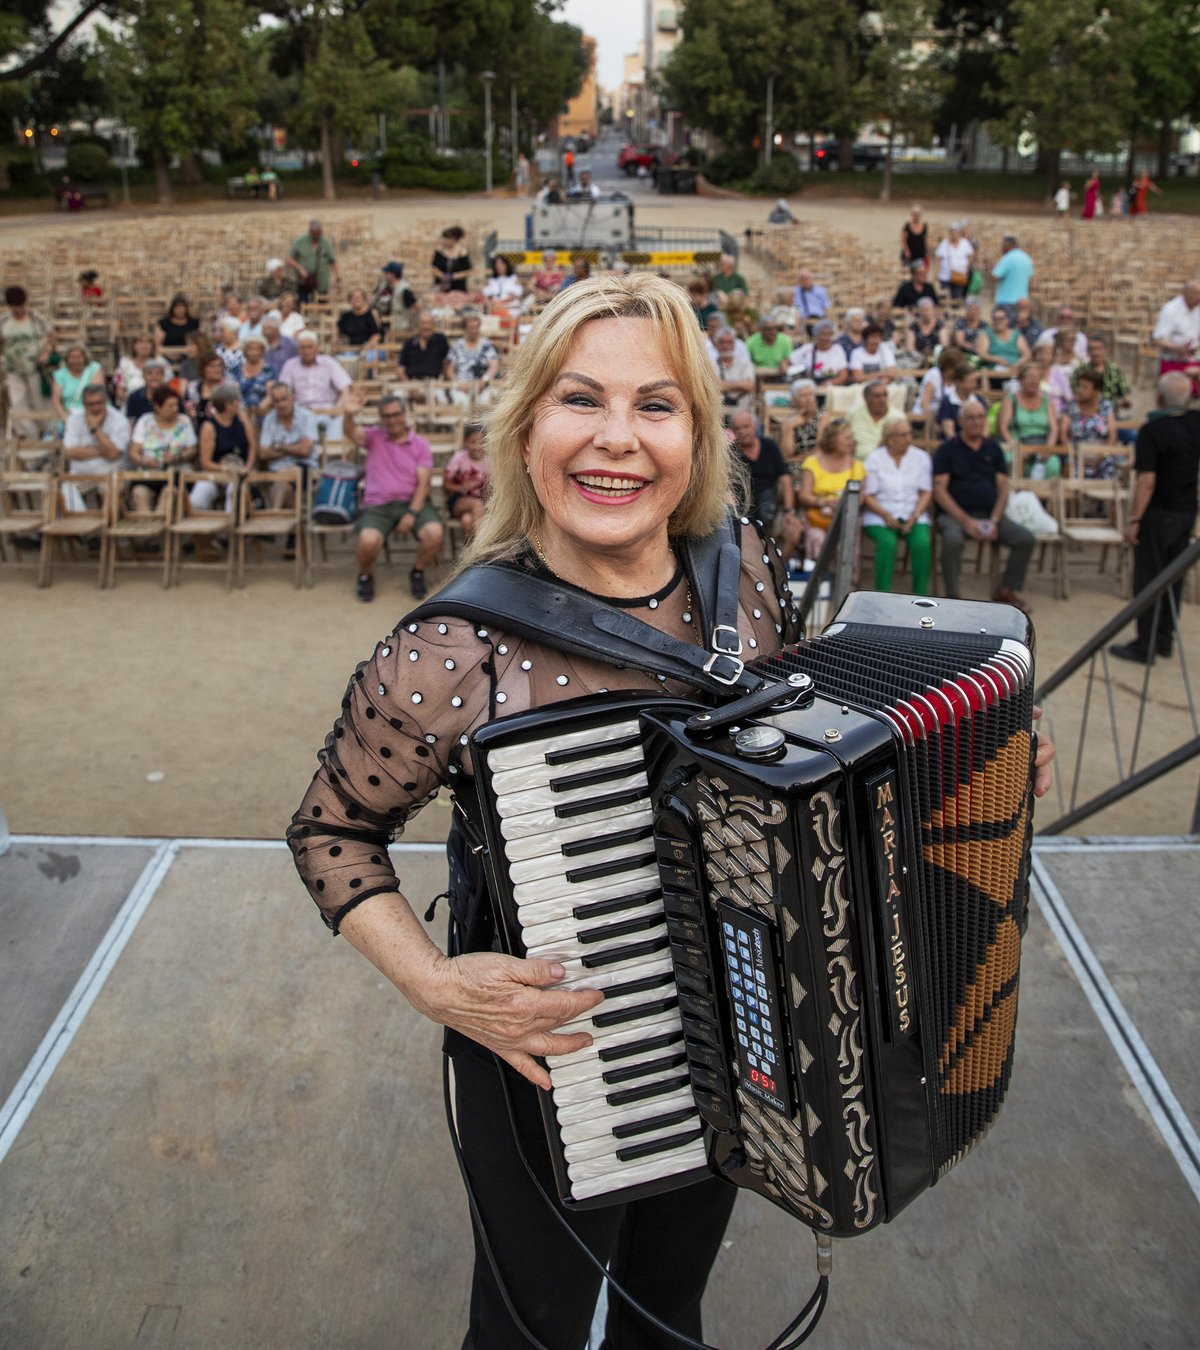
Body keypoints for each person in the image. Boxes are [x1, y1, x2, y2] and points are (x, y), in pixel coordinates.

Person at [285, 271, 1058, 1349]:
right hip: (542, 1055)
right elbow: (329, 831)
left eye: (655, 405)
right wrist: (431, 982)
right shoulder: (453, 650)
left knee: (672, 1308)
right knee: (531, 1328)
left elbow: (800, 744)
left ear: (696, 434)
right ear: (525, 430)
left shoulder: (735, 565)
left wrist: (976, 774)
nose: (617, 440)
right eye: (578, 399)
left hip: (741, 1029)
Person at [1110, 372, 1200, 663]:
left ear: (1159, 397)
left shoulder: (1153, 429)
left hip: (1158, 513)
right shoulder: (1196, 423)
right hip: (1185, 511)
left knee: (1148, 579)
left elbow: (1146, 480)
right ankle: (1164, 640)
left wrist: (1134, 519)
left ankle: (1144, 645)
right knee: (1173, 578)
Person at [342, 386, 443, 602]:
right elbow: (351, 433)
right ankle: (365, 575)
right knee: (368, 540)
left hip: (413, 502)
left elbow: (423, 483)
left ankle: (417, 571)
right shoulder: (373, 437)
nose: (392, 420)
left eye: (396, 414)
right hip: (378, 505)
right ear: (381, 418)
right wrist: (349, 414)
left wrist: (412, 513)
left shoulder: (420, 444)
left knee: (434, 533)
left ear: (404, 414)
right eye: (386, 416)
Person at [933, 402, 1034, 609]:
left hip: (989, 514)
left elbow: (1003, 488)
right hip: (954, 515)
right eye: (970, 417)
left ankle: (1006, 590)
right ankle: (952, 594)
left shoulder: (993, 448)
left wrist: (995, 520)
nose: (976, 422)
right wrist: (966, 521)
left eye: (980, 417)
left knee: (1025, 539)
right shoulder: (947, 449)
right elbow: (939, 491)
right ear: (960, 422)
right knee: (952, 540)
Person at [862, 414, 933, 595]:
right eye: (902, 435)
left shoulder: (921, 457)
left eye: (910, 434)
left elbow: (926, 492)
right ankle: (883, 594)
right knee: (887, 543)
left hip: (912, 514)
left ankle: (920, 595)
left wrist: (915, 516)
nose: (908, 439)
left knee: (922, 543)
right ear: (890, 439)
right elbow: (868, 495)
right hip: (879, 515)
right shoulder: (875, 459)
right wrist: (885, 515)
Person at [797, 417, 866, 561]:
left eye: (852, 438)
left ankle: (847, 581)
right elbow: (804, 495)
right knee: (818, 539)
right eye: (847, 438)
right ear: (833, 440)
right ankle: (818, 580)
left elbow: (860, 498)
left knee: (847, 539)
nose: (851, 441)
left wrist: (842, 506)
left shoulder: (857, 466)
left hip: (845, 515)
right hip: (817, 515)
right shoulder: (812, 463)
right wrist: (823, 502)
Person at [61, 382, 130, 509]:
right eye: (91, 404)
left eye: (99, 403)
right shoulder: (74, 419)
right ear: (84, 404)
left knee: (112, 489)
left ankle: (108, 526)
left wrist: (95, 429)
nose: (96, 408)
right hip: (80, 474)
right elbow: (69, 452)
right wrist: (102, 450)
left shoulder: (119, 420)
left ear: (106, 401)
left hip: (111, 472)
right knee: (63, 489)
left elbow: (113, 454)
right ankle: (78, 525)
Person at [129, 385, 198, 509]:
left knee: (168, 494)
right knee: (139, 493)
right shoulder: (145, 421)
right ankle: (146, 526)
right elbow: (134, 452)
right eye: (170, 406)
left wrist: (178, 457)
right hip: (149, 474)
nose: (175, 409)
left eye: (176, 405)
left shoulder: (184, 421)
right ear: (157, 406)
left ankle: (159, 525)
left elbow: (193, 450)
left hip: (176, 474)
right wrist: (145, 461)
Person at [191, 383, 257, 510]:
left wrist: (247, 468)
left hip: (240, 471)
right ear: (228, 404)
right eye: (237, 401)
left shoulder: (242, 421)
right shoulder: (209, 426)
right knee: (197, 501)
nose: (239, 403)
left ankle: (231, 527)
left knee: (234, 495)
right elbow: (205, 462)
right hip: (217, 471)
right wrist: (225, 468)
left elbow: (253, 446)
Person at [279, 330, 353, 442]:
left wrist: (337, 408)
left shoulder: (329, 363)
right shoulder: (290, 365)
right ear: (298, 350)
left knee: (339, 420)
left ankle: (333, 455)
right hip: (301, 411)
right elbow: (283, 392)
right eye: (303, 348)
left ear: (317, 348)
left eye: (309, 347)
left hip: (328, 410)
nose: (306, 351)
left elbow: (345, 389)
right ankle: (310, 455)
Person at [1, 285, 53, 436]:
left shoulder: (35, 317)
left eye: (22, 305)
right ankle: (30, 435)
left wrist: (46, 352)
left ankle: (47, 431)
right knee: (18, 403)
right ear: (10, 306)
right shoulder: (3, 321)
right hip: (13, 368)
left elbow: (51, 335)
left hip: (35, 367)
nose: (20, 310)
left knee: (40, 402)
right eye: (16, 307)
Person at [728, 408, 794, 527]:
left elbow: (785, 478)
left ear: (755, 426)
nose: (742, 431)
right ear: (733, 431)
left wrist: (788, 510)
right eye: (737, 428)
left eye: (746, 426)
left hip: (769, 501)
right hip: (743, 505)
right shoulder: (732, 452)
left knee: (792, 530)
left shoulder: (769, 446)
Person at [258, 381, 318, 509]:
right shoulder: (269, 419)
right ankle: (283, 516)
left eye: (284, 399)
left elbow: (305, 451)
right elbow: (263, 453)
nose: (281, 404)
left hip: (305, 468)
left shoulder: (307, 416)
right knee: (283, 484)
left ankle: (274, 515)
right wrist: (295, 446)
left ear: (292, 398)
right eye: (277, 401)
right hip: (277, 471)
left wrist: (280, 446)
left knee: (283, 477)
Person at [998, 364, 1062, 477]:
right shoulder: (1010, 400)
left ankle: (1046, 494)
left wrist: (1048, 449)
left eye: (1037, 377)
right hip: (1017, 444)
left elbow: (1054, 429)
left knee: (1053, 464)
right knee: (1011, 461)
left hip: (1041, 445)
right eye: (1029, 376)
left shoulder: (1047, 401)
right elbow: (1002, 428)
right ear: (1021, 380)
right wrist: (1017, 448)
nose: (1033, 380)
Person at [443, 422, 492, 537]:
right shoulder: (459, 458)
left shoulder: (489, 460)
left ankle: (470, 553)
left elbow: (494, 488)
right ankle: (481, 550)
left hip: (483, 501)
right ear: (465, 443)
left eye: (481, 442)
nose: (477, 447)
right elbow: (446, 485)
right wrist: (461, 487)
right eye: (473, 442)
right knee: (476, 504)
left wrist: (489, 482)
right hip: (460, 501)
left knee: (467, 521)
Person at [1151, 280, 1200, 388]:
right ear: (1188, 294)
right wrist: (1178, 347)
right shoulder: (1170, 310)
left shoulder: (1197, 309)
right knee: (1175, 392)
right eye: (1198, 294)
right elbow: (1158, 338)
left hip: (1193, 357)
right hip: (1172, 358)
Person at [1059, 368, 1117, 458]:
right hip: (1076, 454)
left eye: (1085, 387)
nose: (1079, 390)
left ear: (1096, 391)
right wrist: (1076, 455)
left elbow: (1112, 437)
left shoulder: (1106, 406)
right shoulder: (1070, 407)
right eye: (1079, 386)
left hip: (1101, 454)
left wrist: (1102, 456)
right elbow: (1063, 436)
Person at [444, 311, 500, 393]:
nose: (473, 331)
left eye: (476, 327)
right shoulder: (457, 345)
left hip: (482, 386)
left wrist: (484, 380)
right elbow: (450, 370)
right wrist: (457, 384)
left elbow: (494, 365)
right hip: (461, 385)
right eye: (471, 328)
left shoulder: (486, 344)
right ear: (465, 328)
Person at [288, 219, 341, 302]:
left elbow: (333, 261)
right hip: (304, 281)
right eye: (314, 232)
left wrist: (338, 278)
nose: (316, 235)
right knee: (303, 302)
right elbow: (289, 258)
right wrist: (300, 268)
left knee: (323, 304)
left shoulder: (325, 243)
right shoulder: (300, 242)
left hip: (321, 281)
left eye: (318, 232)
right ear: (310, 231)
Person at [50, 343, 102, 425]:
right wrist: (65, 419)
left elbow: (96, 394)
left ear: (84, 358)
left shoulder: (94, 368)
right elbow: (56, 400)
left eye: (79, 357)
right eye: (72, 357)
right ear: (67, 359)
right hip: (70, 414)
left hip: (94, 413)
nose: (76, 361)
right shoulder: (60, 374)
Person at [710, 328, 756, 417]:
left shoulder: (745, 364)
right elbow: (712, 387)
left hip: (742, 412)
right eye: (722, 342)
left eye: (729, 342)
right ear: (716, 345)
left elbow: (750, 385)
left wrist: (723, 385)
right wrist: (740, 385)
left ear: (734, 345)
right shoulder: (710, 365)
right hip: (718, 413)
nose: (726, 346)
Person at [786, 320, 848, 386]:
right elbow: (785, 362)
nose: (827, 338)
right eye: (823, 334)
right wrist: (791, 373)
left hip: (831, 387)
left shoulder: (838, 350)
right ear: (816, 335)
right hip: (810, 386)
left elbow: (843, 375)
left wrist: (830, 383)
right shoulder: (807, 349)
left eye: (829, 334)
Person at [847, 380, 894, 460]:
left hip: (887, 464)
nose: (882, 400)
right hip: (858, 464)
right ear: (866, 398)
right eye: (877, 396)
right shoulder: (854, 414)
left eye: (885, 395)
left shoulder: (897, 417)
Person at [977, 305, 1029, 375]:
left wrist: (1017, 364)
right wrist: (997, 359)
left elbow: (1026, 354)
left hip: (1015, 370)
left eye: (1001, 318)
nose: (998, 321)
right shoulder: (986, 335)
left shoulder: (1016, 335)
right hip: (994, 371)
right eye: (995, 319)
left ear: (1007, 320)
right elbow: (982, 353)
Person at [400, 311, 451, 382]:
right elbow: (400, 369)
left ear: (433, 325)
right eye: (423, 323)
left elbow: (447, 363)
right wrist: (409, 387)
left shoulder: (441, 340)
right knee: (397, 393)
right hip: (412, 382)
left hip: (434, 382)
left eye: (429, 323)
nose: (427, 327)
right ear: (418, 325)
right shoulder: (409, 343)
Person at [990, 235, 1034, 312]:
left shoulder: (1007, 258)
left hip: (1006, 301)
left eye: (1003, 246)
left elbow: (994, 277)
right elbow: (1030, 279)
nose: (1001, 249)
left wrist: (991, 269)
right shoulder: (1027, 258)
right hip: (1022, 302)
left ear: (1008, 245)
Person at [337, 288, 384, 361]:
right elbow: (338, 330)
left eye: (358, 297)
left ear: (364, 299)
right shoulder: (346, 316)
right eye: (353, 298)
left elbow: (377, 335)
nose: (356, 300)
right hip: (352, 349)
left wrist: (365, 349)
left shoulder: (372, 314)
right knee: (341, 359)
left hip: (372, 349)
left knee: (368, 359)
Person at [938, 366, 984, 438]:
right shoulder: (947, 402)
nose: (974, 385)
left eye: (975, 381)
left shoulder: (979, 400)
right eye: (970, 382)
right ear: (958, 382)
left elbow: (985, 427)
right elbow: (949, 431)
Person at [934, 221, 974, 301]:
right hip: (945, 276)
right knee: (943, 298)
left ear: (959, 232)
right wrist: (937, 272)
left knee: (956, 298)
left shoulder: (964, 243)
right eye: (952, 231)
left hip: (959, 275)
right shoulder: (944, 243)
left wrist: (966, 266)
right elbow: (938, 258)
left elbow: (971, 255)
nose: (953, 234)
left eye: (955, 231)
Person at [371, 261, 416, 331]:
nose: (384, 274)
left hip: (398, 327)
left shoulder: (404, 289)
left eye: (386, 273)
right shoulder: (383, 285)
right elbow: (373, 299)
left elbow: (416, 306)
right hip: (380, 326)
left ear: (393, 274)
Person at [125, 358, 170, 425]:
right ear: (144, 376)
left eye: (158, 373)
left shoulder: (172, 396)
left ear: (163, 376)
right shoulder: (134, 397)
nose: (154, 377)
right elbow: (131, 422)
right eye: (149, 373)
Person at [238, 336, 273, 415]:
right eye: (250, 349)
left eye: (257, 349)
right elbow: (233, 392)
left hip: (262, 411)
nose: (254, 352)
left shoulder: (268, 370)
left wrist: (259, 409)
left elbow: (270, 395)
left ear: (263, 351)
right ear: (245, 351)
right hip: (240, 412)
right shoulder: (237, 369)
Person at [432, 226, 472, 293]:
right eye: (444, 238)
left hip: (458, 289)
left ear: (454, 239)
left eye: (447, 239)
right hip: (441, 287)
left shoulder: (463, 252)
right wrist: (442, 276)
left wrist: (452, 277)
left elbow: (467, 271)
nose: (445, 241)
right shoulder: (439, 251)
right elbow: (433, 268)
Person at [906, 296, 942, 367]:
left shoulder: (940, 325)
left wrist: (935, 357)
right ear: (919, 311)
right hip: (917, 358)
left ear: (933, 310)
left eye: (928, 309)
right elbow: (910, 347)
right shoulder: (913, 327)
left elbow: (944, 344)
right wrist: (921, 357)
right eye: (923, 310)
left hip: (937, 358)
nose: (926, 312)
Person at [262, 312, 298, 379]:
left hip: (286, 380)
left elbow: (296, 362)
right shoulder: (260, 344)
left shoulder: (290, 343)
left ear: (277, 329)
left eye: (269, 328)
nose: (265, 332)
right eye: (264, 329)